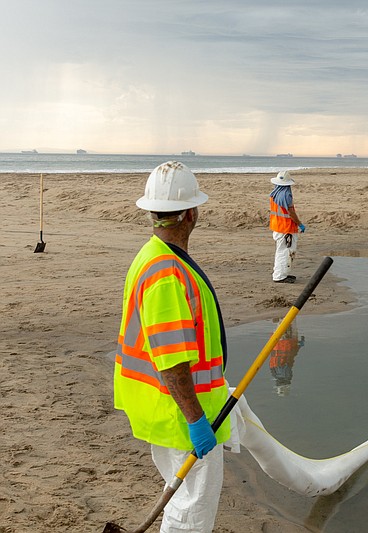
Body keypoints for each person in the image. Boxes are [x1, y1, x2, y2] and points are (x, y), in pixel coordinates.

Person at [113, 161, 230, 532]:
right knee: (192, 506)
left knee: (184, 496)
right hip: (180, 412)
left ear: (152, 213)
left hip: (175, 404)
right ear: (192, 214)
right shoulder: (165, 271)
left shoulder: (156, 255)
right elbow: (171, 360)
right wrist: (196, 421)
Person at [269, 170, 305, 283]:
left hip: (278, 226)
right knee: (285, 252)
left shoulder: (274, 194)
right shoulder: (286, 195)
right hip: (286, 229)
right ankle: (279, 276)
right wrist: (300, 224)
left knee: (281, 251)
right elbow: (291, 213)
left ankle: (281, 273)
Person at [268, 321, 305, 396]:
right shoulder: (275, 371)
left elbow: (289, 357)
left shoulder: (280, 372)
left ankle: (280, 318)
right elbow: (290, 356)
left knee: (287, 322)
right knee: (287, 322)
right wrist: (298, 346)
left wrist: (298, 346)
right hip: (282, 342)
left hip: (284, 342)